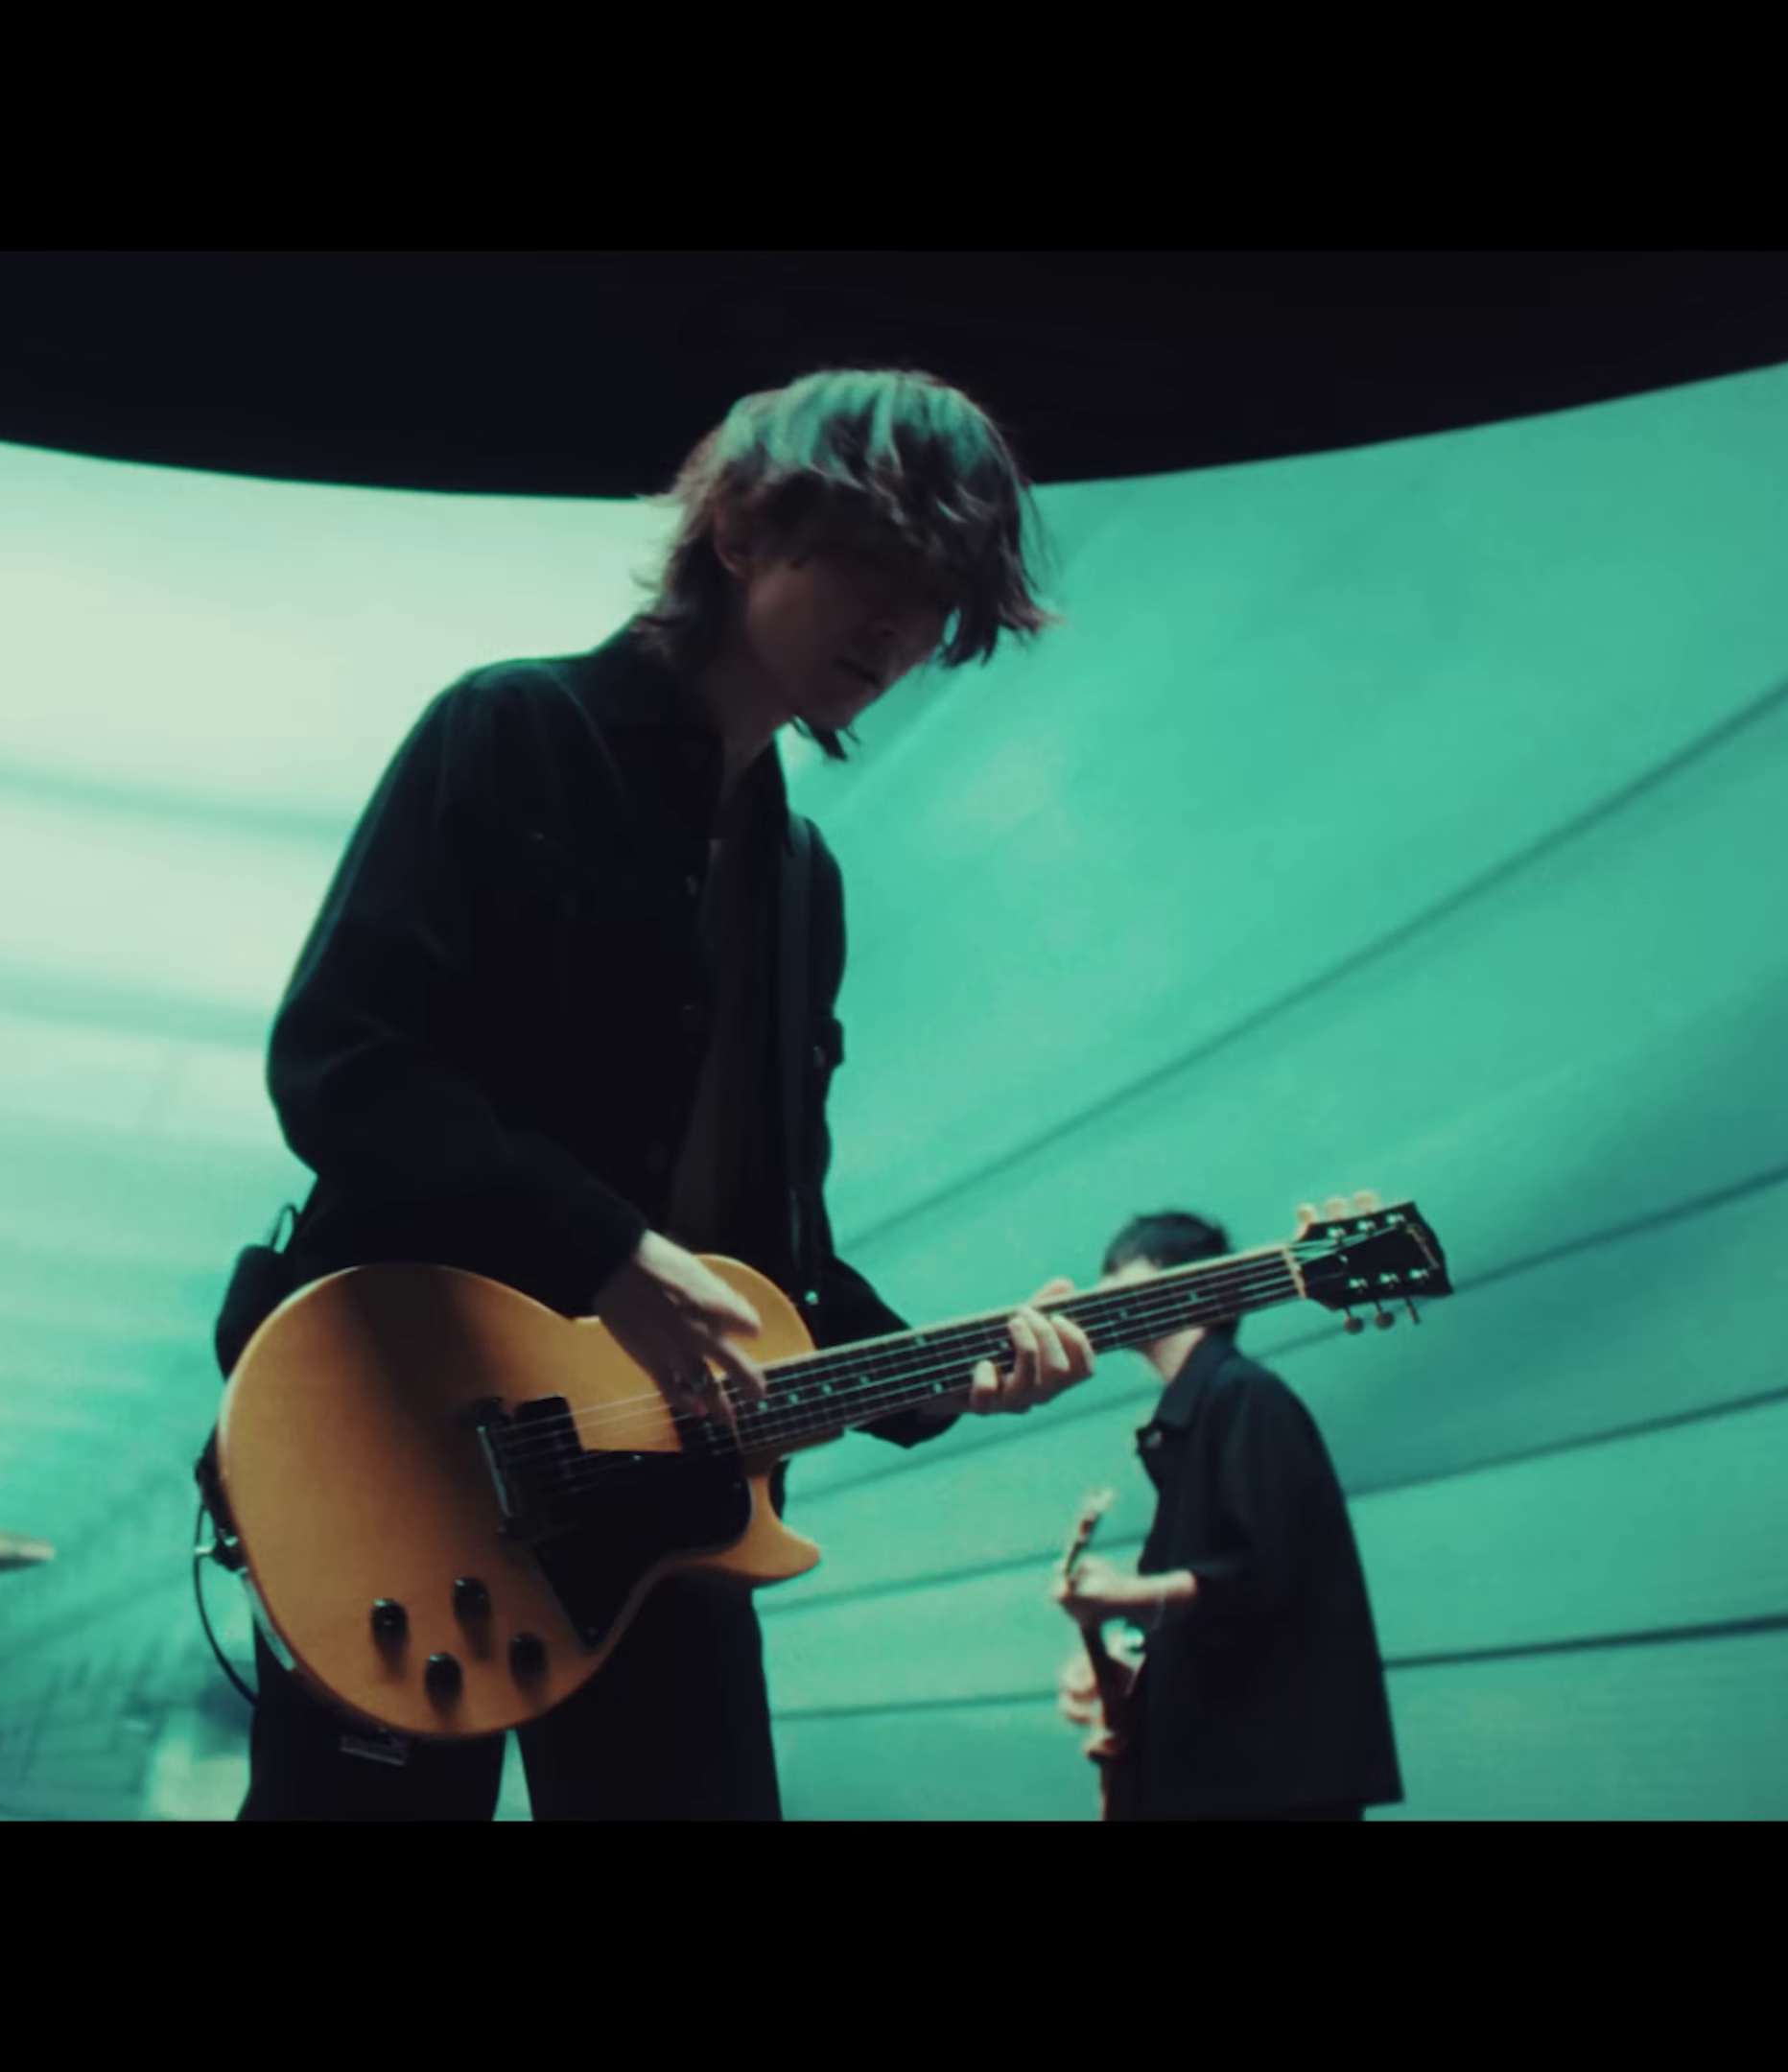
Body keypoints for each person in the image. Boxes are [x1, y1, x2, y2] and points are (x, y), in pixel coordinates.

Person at [218, 367, 1098, 1821]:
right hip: (407, 1453)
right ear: (742, 529)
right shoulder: (512, 732)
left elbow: (764, 1250)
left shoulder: (800, 883)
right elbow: (342, 1060)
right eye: (868, 567)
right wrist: (603, 1250)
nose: (895, 628)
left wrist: (949, 1373)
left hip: (664, 1494)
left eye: (932, 596)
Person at [1054, 1210, 1404, 1821]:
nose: (1099, 1291)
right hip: (1229, 1778)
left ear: (1189, 1285)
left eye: (1121, 1271)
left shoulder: (1243, 1394)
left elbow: (1262, 1573)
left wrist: (1128, 1595)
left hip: (1267, 1785)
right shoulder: (1201, 1411)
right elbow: (1221, 1604)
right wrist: (1129, 1670)